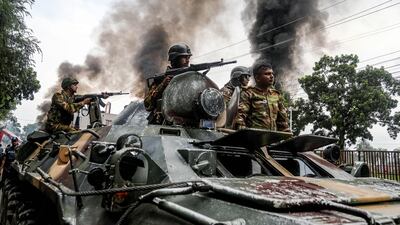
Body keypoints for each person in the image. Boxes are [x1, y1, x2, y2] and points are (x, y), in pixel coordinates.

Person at [234, 60, 290, 132]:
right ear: (257, 78)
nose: (271, 76)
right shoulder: (248, 94)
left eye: (272, 74)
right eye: (267, 74)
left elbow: (283, 122)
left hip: (273, 140)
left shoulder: (276, 95)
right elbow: (240, 119)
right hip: (254, 139)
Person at [144, 43, 192, 124]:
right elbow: (147, 104)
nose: (187, 61)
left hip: (186, 122)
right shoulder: (161, 79)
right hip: (163, 122)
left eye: (188, 58)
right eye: (184, 58)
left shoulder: (190, 79)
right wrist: (163, 85)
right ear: (174, 59)